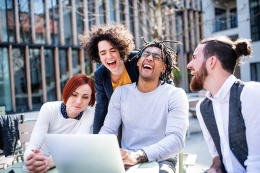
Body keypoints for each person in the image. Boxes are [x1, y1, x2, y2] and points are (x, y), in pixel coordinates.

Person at [99, 39, 189, 173]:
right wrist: (98, 148)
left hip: (161, 161)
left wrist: (138, 155)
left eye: (156, 57)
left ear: (163, 67)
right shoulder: (121, 93)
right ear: (138, 62)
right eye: (146, 55)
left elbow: (176, 140)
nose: (150, 58)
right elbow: (108, 130)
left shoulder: (175, 95)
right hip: (126, 161)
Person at [187, 35, 260, 173]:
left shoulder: (250, 94)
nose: (189, 65)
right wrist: (215, 167)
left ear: (211, 62)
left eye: (194, 57)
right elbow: (216, 156)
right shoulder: (203, 108)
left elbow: (257, 164)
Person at [23, 74, 96, 172]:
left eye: (85, 97)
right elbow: (33, 144)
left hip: (67, 163)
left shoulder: (88, 113)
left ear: (90, 99)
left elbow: (76, 147)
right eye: (74, 94)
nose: (79, 101)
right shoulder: (49, 109)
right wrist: (30, 160)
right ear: (66, 92)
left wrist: (50, 162)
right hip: (41, 162)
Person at [79, 23, 139, 134]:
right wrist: (96, 138)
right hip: (125, 126)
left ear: (121, 49)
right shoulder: (100, 75)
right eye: (103, 53)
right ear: (98, 56)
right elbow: (101, 108)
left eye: (113, 50)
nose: (109, 56)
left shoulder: (136, 60)